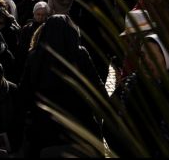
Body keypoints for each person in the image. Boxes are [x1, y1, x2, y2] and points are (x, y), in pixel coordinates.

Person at [20, 15, 106, 157]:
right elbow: (97, 86)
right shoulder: (80, 54)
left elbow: (24, 92)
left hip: (44, 127)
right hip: (79, 125)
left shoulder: (35, 56)